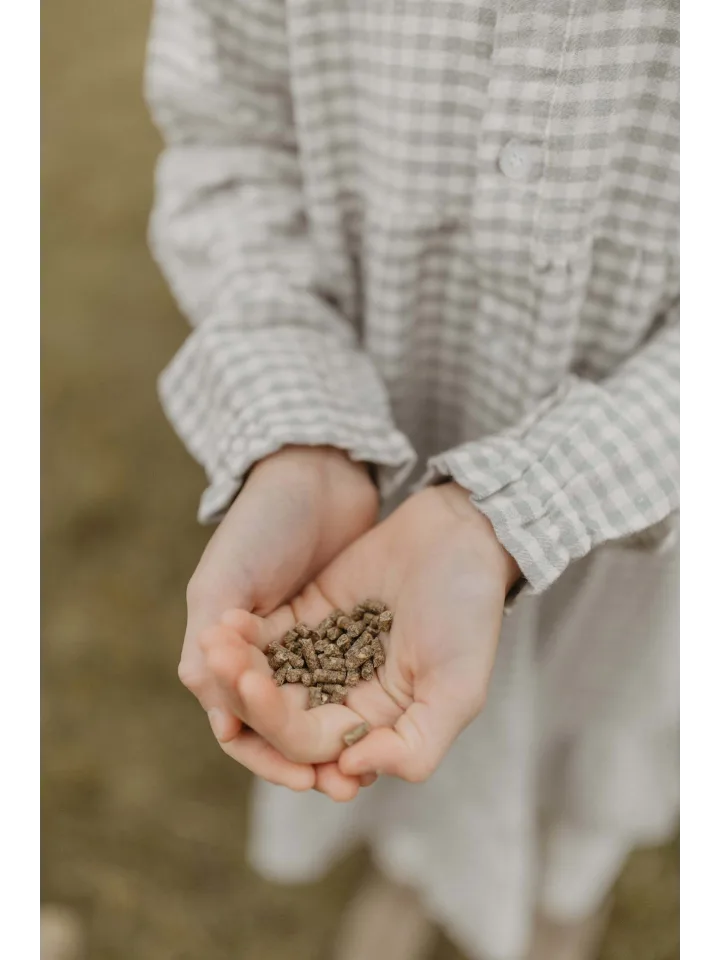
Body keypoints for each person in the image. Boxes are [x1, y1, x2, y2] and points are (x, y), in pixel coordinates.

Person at [145, 1, 678, 958]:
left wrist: (522, 510)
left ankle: (560, 903)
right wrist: (304, 435)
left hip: (655, 513)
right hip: (383, 421)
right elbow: (228, 143)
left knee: (586, 740)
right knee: (396, 737)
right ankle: (415, 872)